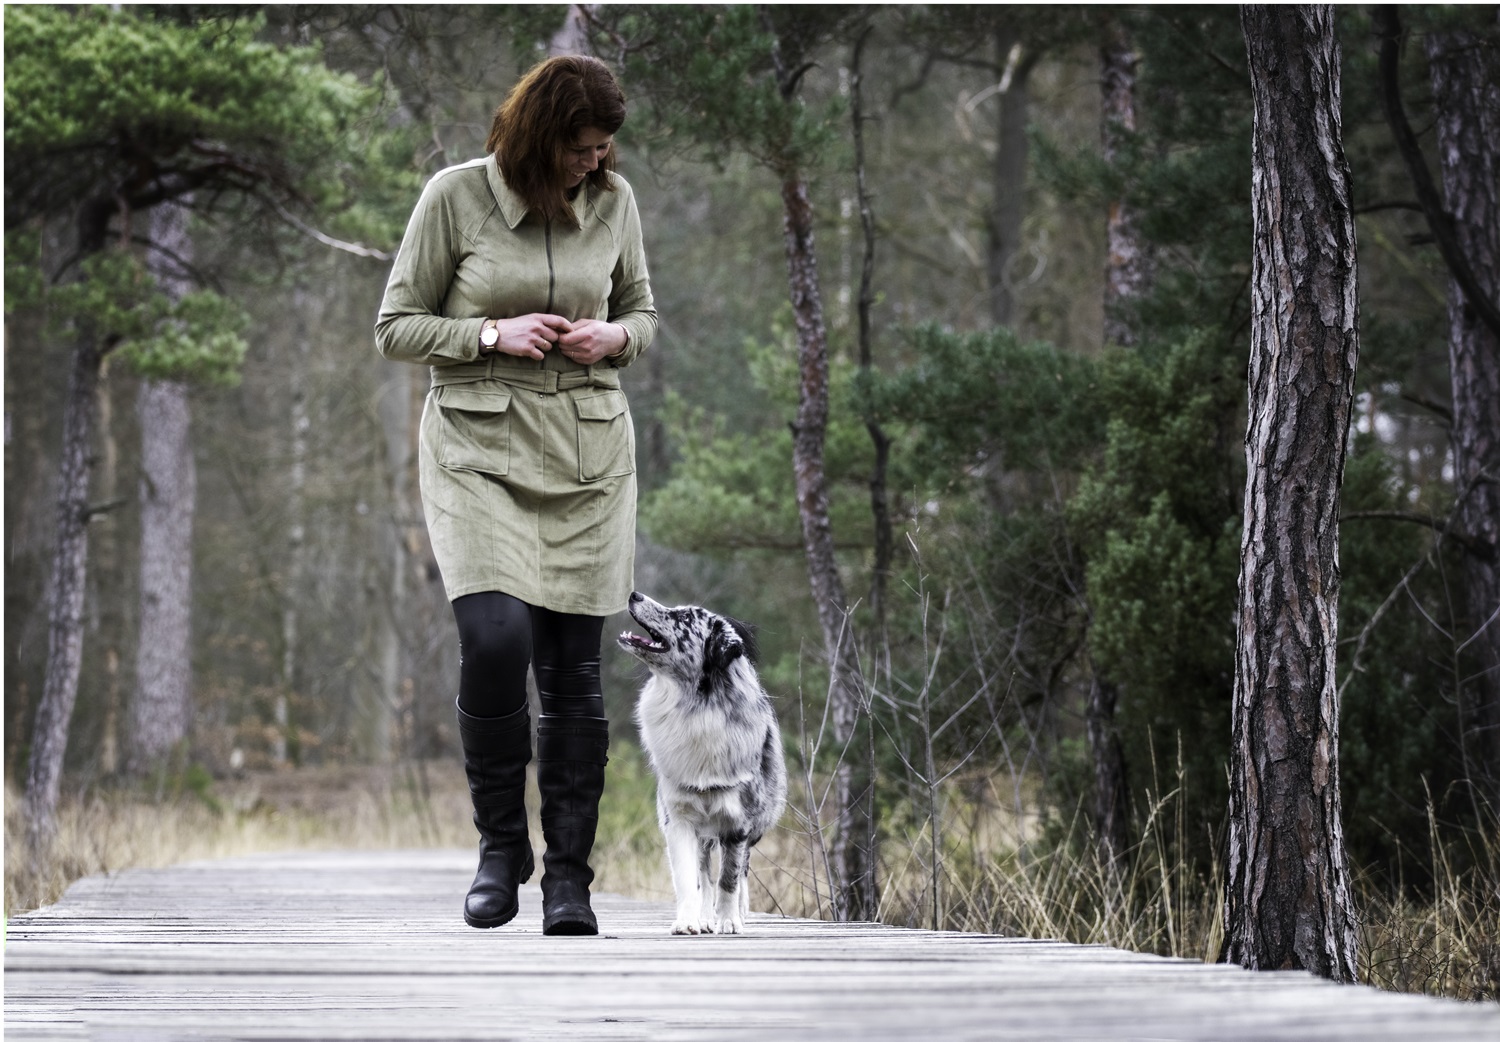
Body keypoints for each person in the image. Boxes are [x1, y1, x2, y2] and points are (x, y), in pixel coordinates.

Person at [374, 55, 655, 936]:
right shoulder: (454, 198)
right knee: (495, 641)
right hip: (477, 450)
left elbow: (642, 313)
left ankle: (568, 880)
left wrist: (614, 336)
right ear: (542, 137)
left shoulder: (617, 202)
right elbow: (394, 326)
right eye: (581, 147)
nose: (595, 162)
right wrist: (489, 331)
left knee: (574, 673)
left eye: (605, 148)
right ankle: (501, 852)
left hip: (588, 457)